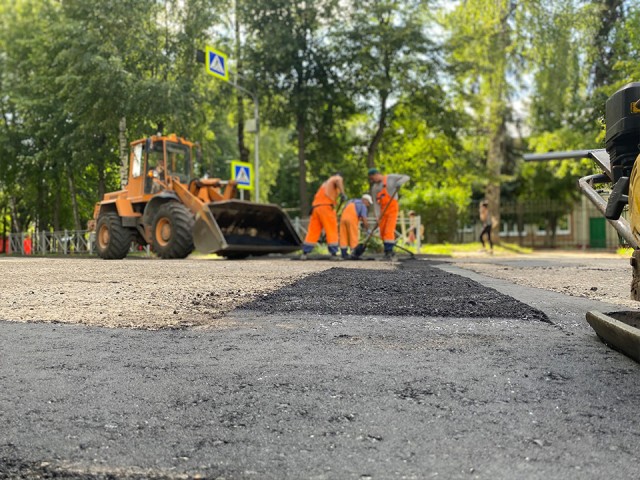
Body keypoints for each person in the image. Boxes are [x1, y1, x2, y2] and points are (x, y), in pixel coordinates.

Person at [300, 173, 347, 259]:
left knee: (313, 231)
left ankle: (305, 253)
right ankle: (333, 254)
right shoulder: (336, 178)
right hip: (326, 207)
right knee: (331, 229)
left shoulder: (325, 183)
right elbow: (338, 180)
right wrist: (342, 193)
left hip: (316, 208)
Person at [368, 168, 410, 259]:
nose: (372, 180)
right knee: (382, 232)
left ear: (377, 174)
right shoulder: (375, 188)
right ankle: (387, 250)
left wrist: (400, 183)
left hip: (392, 209)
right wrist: (377, 215)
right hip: (382, 212)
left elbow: (406, 177)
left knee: (389, 230)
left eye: (372, 178)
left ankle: (389, 252)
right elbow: (375, 203)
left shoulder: (390, 178)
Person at [339, 194, 372, 259]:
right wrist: (367, 229)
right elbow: (364, 219)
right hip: (352, 219)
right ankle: (354, 254)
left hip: (343, 219)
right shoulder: (363, 205)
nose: (368, 205)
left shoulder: (351, 201)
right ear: (365, 200)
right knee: (353, 236)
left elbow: (343, 209)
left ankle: (344, 253)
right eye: (368, 203)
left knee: (343, 236)